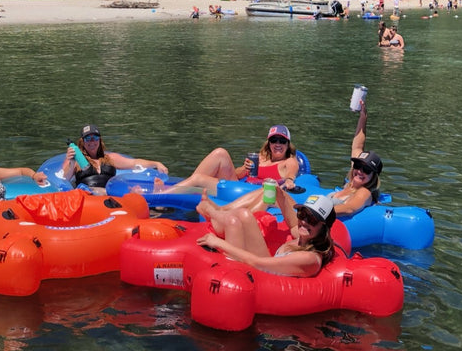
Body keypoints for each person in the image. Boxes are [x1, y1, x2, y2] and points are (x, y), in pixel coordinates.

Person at [212, 101, 382, 217]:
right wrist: (363, 118)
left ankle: (228, 215)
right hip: (309, 211)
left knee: (270, 194)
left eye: (366, 170)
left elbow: (350, 208)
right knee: (270, 191)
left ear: (373, 177)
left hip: (313, 217)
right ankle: (222, 211)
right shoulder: (351, 183)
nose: (360, 171)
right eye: (358, 165)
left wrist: (314, 211)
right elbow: (357, 146)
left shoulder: (364, 192)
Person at [195, 193, 337, 278]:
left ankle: (209, 211)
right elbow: (293, 225)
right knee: (243, 215)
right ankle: (212, 212)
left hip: (258, 277)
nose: (304, 222)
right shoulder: (303, 238)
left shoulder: (309, 258)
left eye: (311, 220)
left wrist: (218, 243)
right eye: (302, 214)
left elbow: (257, 263)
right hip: (262, 267)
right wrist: (280, 197)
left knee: (233, 222)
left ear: (324, 228)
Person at [161, 125, 300, 194]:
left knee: (199, 179)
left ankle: (158, 196)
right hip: (240, 186)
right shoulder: (260, 158)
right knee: (220, 153)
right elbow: (237, 174)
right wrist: (245, 168)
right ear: (269, 143)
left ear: (288, 145)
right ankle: (179, 191)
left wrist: (289, 181)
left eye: (282, 141)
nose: (277, 144)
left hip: (251, 193)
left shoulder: (288, 161)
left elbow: (291, 174)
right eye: (274, 140)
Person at [62, 124, 169, 193]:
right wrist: (71, 162)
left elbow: (134, 163)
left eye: (95, 138)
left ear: (99, 140)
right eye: (88, 139)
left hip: (110, 194)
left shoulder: (110, 158)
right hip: (89, 195)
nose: (92, 142)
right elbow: (64, 179)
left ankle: (158, 203)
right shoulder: (75, 160)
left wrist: (156, 163)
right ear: (82, 142)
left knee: (137, 191)